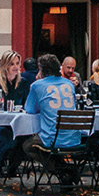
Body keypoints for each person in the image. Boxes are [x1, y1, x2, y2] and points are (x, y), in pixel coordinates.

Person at [23, 53, 81, 187]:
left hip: (52, 137)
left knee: (28, 146)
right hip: (73, 137)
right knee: (50, 144)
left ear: (41, 70)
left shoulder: (38, 85)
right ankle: (65, 172)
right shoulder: (69, 84)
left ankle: (62, 170)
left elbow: (30, 109)